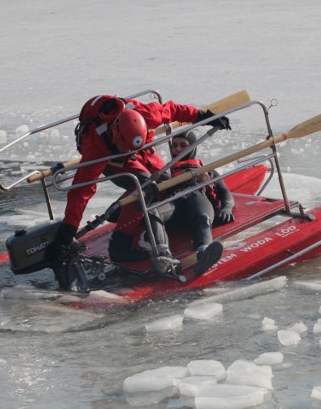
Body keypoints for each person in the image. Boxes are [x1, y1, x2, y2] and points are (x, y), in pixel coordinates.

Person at [47, 94, 230, 290]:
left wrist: (204, 116)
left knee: (164, 182)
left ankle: (133, 211)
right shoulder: (96, 147)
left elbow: (173, 110)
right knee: (144, 187)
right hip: (115, 158)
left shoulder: (146, 114)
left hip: (140, 147)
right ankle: (121, 244)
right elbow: (81, 192)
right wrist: (66, 233)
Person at [155, 130, 235, 275]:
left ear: (193, 147)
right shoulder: (165, 173)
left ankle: (204, 252)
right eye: (174, 146)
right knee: (153, 212)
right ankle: (164, 256)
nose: (178, 149)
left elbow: (225, 193)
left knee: (202, 216)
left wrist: (227, 208)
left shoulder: (206, 171)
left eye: (183, 145)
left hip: (197, 201)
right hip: (175, 208)